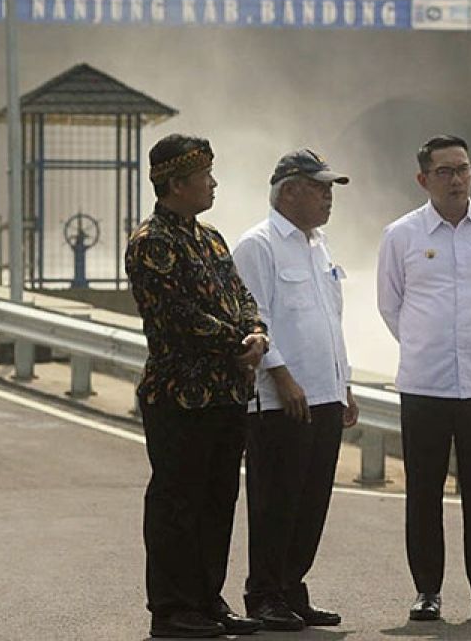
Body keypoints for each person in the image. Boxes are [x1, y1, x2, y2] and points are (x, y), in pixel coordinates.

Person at [125, 134, 267, 639]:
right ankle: (171, 608)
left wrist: (255, 331)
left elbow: (240, 293)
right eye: (204, 176)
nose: (213, 183)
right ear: (176, 183)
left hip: (226, 393)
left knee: (217, 500)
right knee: (177, 503)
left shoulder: (211, 239)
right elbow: (178, 318)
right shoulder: (151, 244)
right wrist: (238, 340)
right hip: (179, 396)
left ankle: (209, 599)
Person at [376, 134, 471, 623]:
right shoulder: (402, 235)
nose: (457, 179)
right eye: (445, 172)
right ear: (424, 180)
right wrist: (428, 343)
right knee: (423, 490)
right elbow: (390, 304)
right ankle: (427, 591)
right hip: (424, 384)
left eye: (463, 169)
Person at [231, 149, 360, 632]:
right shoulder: (258, 245)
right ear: (288, 191)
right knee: (276, 499)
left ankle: (291, 588)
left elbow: (332, 319)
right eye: (319, 187)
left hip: (324, 392)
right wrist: (282, 376)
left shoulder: (317, 245)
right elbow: (253, 317)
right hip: (280, 398)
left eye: (330, 189)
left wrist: (344, 383)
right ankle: (263, 593)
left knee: (311, 500)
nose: (328, 197)